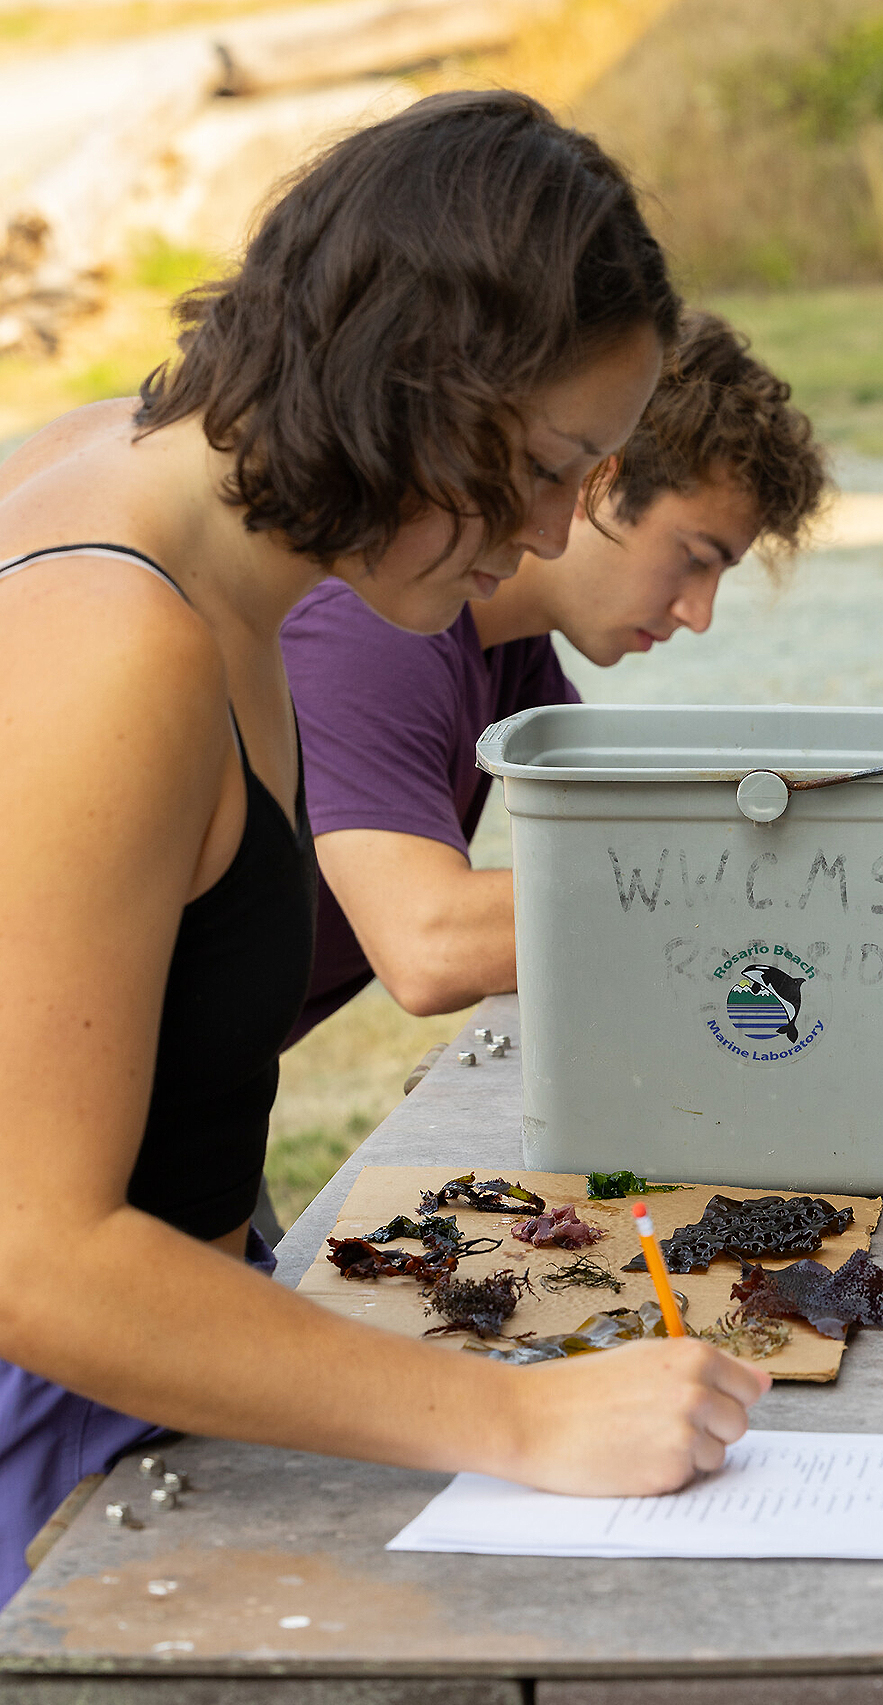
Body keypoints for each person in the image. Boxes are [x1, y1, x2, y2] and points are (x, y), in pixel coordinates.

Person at [0, 91, 767, 1609]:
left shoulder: (119, 469)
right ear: (423, 379)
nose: (551, 534)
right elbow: (39, 1255)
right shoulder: (118, 639)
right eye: (555, 464)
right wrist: (518, 1419)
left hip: (157, 1374)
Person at [283, 310, 825, 1034]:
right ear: (601, 476)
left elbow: (623, 845)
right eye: (695, 557)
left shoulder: (513, 652)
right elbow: (429, 944)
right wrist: (760, 890)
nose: (700, 613)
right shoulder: (366, 621)